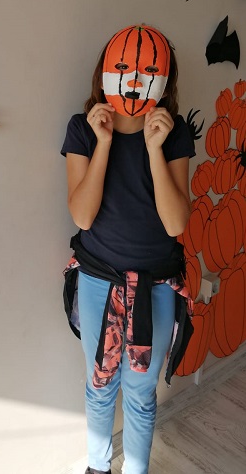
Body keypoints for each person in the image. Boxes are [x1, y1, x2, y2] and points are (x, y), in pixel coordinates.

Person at [61, 24, 195, 474]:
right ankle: (97, 467)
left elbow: (176, 223)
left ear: (164, 80)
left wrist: (155, 149)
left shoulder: (174, 133)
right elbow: (82, 216)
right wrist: (103, 143)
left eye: (146, 71)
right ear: (105, 73)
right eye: (122, 68)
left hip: (156, 285)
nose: (134, 79)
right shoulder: (83, 129)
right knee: (99, 385)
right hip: (98, 279)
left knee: (140, 392)